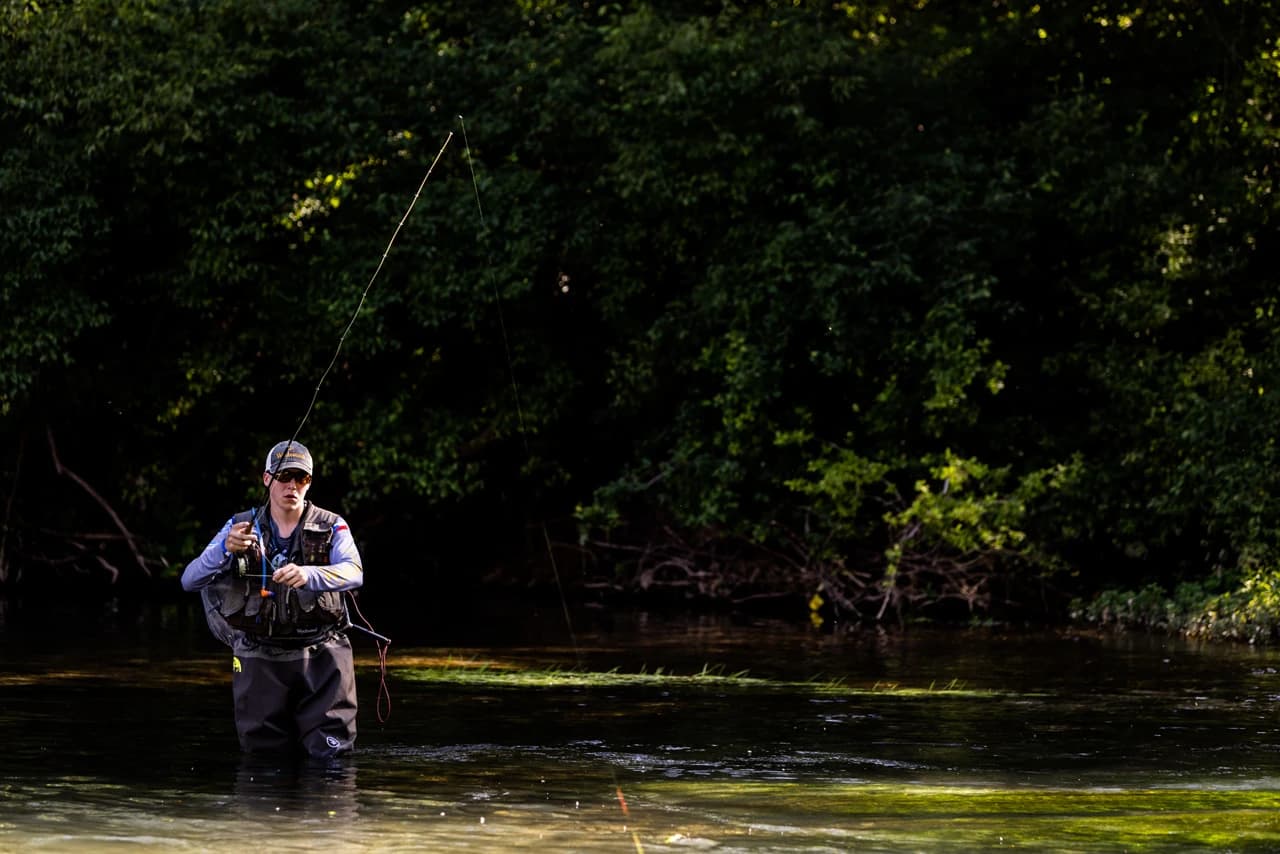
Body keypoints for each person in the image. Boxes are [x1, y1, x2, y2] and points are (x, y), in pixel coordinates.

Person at [182, 440, 364, 759]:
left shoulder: (333, 525)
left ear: (309, 482)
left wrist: (310, 575)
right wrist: (226, 547)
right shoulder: (239, 526)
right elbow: (190, 579)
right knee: (264, 761)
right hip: (259, 656)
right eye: (284, 476)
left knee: (331, 761)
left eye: (301, 478)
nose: (291, 485)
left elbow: (354, 572)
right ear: (267, 479)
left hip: (322, 656)